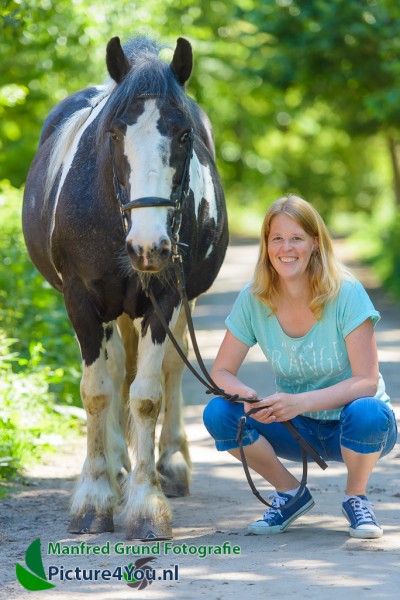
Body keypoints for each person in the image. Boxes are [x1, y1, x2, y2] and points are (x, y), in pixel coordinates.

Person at [203, 194, 397, 539]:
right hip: (295, 428)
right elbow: (221, 372)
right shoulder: (253, 297)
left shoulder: (346, 292)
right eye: (277, 238)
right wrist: (245, 394)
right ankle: (290, 494)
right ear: (266, 245)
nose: (286, 248)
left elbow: (366, 382)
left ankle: (356, 498)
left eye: (296, 238)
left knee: (368, 412)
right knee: (220, 412)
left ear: (315, 243)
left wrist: (301, 401)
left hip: (352, 428)